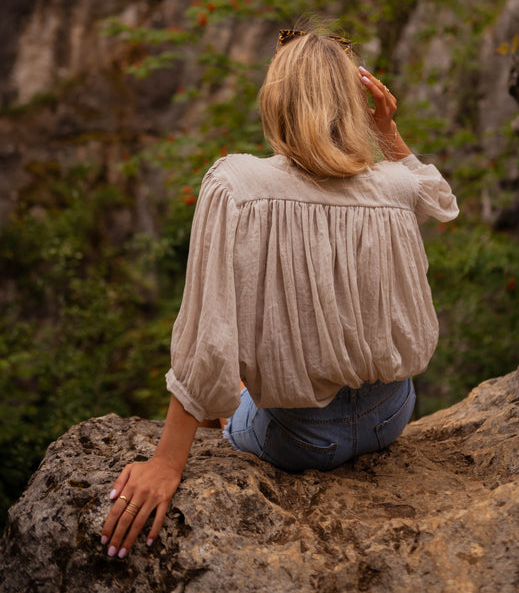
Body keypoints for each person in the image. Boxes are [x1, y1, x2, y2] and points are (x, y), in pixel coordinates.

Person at [100, 28, 459, 558]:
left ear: (277, 99)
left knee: (237, 403)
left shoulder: (237, 185)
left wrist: (167, 464)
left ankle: (235, 411)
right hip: (392, 414)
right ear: (351, 103)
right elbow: (440, 199)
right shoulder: (393, 186)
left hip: (300, 439)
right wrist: (388, 131)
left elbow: (209, 334)